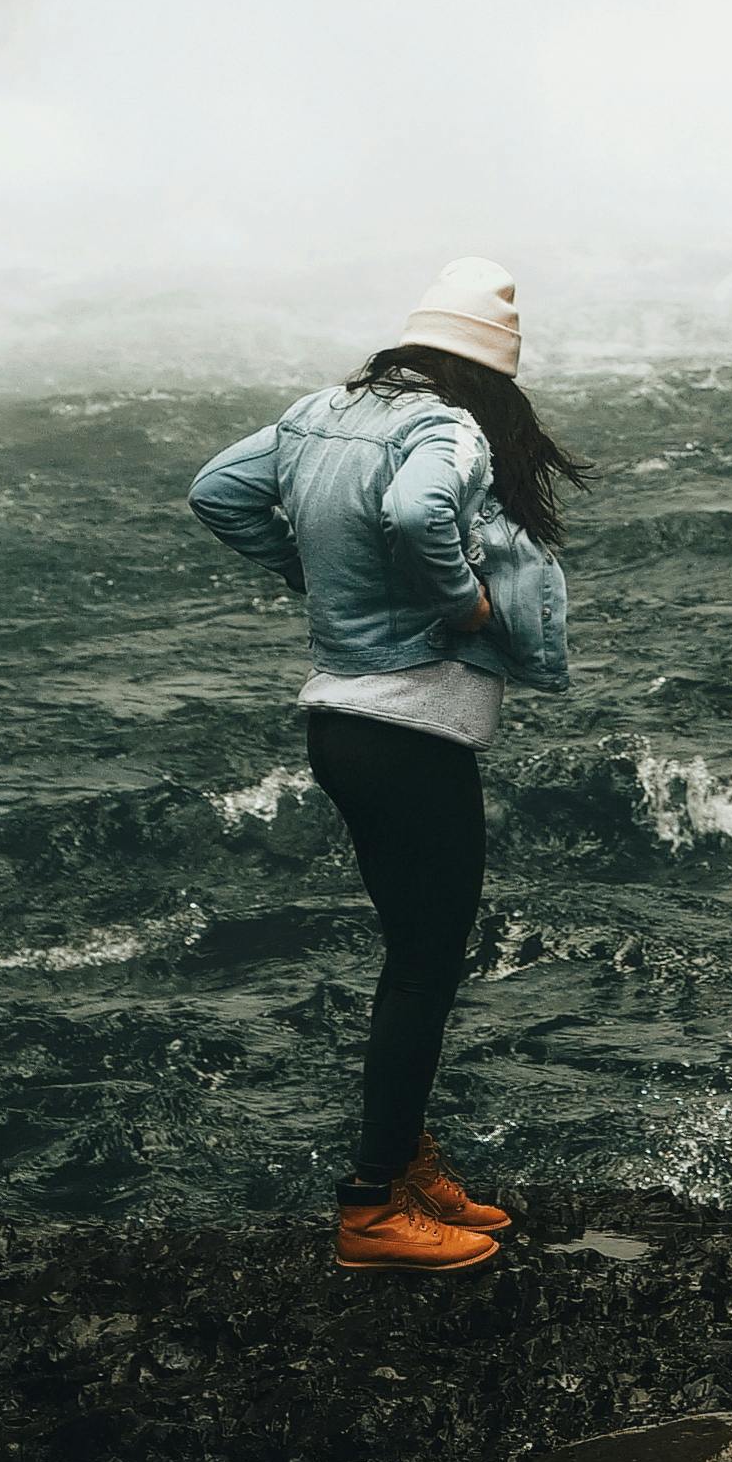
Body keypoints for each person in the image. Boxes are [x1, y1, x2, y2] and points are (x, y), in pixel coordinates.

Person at [186, 254, 577, 1273]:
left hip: (343, 728)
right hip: (409, 729)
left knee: (414, 954)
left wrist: (298, 566)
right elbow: (414, 515)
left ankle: (407, 1162)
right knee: (424, 966)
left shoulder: (321, 410)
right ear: (489, 372)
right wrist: (463, 603)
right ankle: (370, 1207)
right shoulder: (445, 426)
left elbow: (216, 492)